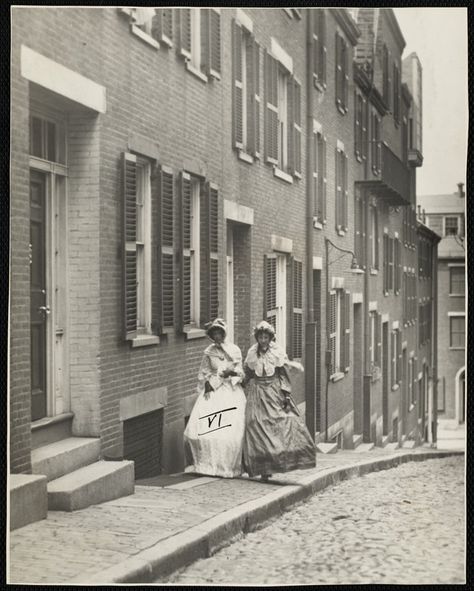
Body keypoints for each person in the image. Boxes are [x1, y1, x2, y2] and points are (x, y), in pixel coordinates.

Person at [242, 320, 316, 481]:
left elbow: (283, 374)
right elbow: (247, 373)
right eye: (260, 337)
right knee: (254, 424)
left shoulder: (277, 352)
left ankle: (280, 462)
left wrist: (286, 394)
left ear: (270, 338)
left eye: (266, 337)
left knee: (280, 423)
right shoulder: (252, 353)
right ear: (257, 338)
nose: (263, 340)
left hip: (274, 391)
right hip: (257, 392)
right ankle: (262, 467)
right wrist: (240, 383)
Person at [184, 318, 247, 478]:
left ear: (224, 334)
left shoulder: (234, 350)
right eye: (214, 334)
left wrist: (231, 374)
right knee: (205, 429)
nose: (217, 336)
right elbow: (203, 371)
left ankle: (227, 466)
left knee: (229, 431)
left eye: (220, 333)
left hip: (230, 391)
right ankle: (206, 464)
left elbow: (241, 373)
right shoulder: (209, 352)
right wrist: (207, 383)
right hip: (214, 391)